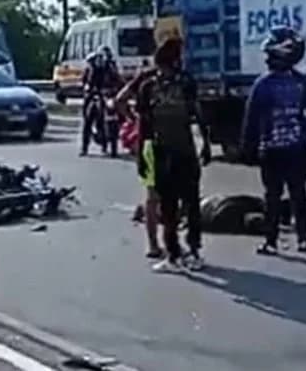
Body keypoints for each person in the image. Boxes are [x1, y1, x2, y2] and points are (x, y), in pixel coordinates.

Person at [240, 26, 306, 256]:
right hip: (296, 149)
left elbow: (252, 119)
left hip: (272, 150)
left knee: (272, 197)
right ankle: (303, 239)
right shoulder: (300, 83)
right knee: (298, 194)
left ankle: (271, 242)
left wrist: (248, 148)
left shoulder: (264, 84)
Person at [136, 37, 212, 272]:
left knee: (172, 207)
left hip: (166, 152)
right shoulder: (182, 83)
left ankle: (176, 255)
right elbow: (198, 116)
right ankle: (190, 252)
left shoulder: (152, 87)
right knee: (187, 205)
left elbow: (145, 126)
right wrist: (206, 145)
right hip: (180, 150)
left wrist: (142, 154)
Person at [116, 64, 162, 258]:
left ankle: (162, 241)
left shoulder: (175, 77)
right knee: (155, 195)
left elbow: (120, 100)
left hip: (160, 142)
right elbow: (119, 100)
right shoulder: (147, 78)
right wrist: (135, 120)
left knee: (159, 196)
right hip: (150, 142)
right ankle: (153, 243)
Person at [80, 47, 122, 156]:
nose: (103, 59)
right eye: (101, 57)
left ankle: (112, 145)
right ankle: (84, 147)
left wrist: (115, 89)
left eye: (106, 57)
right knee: (88, 116)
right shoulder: (91, 68)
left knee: (114, 115)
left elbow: (119, 80)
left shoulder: (112, 67)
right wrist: (88, 88)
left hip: (108, 95)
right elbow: (85, 82)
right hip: (94, 95)